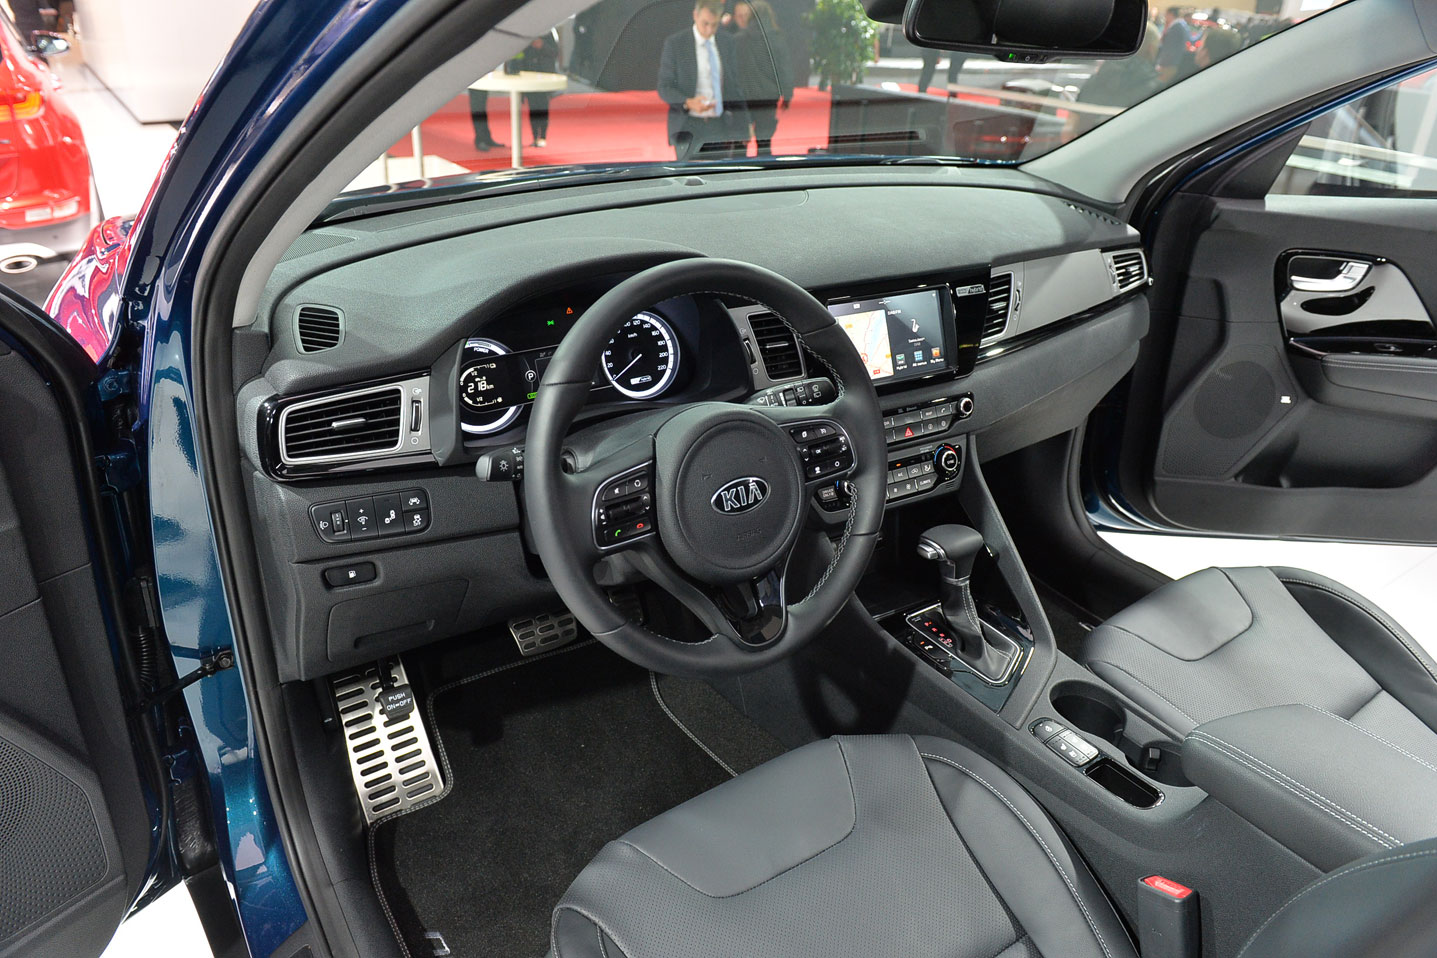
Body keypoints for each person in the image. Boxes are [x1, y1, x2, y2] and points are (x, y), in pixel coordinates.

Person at [658, 0, 748, 161]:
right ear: (695, 15)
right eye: (705, 23)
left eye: (714, 25)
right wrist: (688, 102)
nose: (709, 30)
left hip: (720, 125)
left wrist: (744, 124)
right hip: (687, 125)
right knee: (689, 174)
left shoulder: (727, 42)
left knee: (719, 173)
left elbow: (735, 86)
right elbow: (664, 87)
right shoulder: (676, 44)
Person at [731, 0, 793, 156]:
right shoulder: (777, 38)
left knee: (740, 143)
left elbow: (732, 70)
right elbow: (784, 68)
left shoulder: (738, 39)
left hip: (744, 96)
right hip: (768, 96)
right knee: (765, 143)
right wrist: (787, 94)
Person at [1155, 6, 1197, 86]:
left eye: (1166, 14)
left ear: (1170, 14)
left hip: (1168, 64)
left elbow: (1170, 48)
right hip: (1170, 63)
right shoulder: (1178, 25)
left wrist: (1162, 64)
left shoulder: (1177, 27)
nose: (1165, 16)